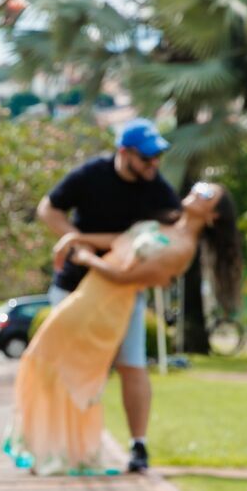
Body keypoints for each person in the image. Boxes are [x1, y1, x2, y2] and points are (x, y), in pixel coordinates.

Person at [6, 182, 241, 476]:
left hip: (105, 308)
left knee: (57, 366)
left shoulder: (183, 250)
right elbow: (119, 240)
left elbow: (124, 278)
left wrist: (85, 257)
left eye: (206, 194)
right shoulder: (164, 223)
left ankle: (61, 449)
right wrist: (74, 238)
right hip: (87, 295)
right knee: (45, 362)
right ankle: (48, 448)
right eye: (199, 187)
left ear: (214, 216)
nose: (196, 191)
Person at [37, 119, 181, 473]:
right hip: (75, 285)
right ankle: (61, 443)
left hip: (124, 290)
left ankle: (138, 446)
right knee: (65, 364)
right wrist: (73, 236)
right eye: (147, 158)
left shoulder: (157, 190)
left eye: (157, 157)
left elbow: (172, 231)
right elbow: (48, 208)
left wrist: (85, 242)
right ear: (124, 153)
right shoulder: (91, 175)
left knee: (132, 364)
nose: (154, 164)